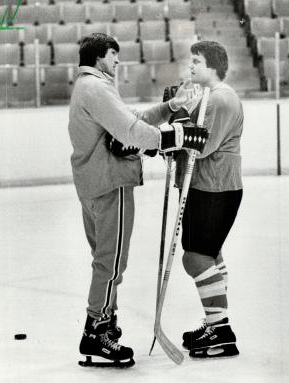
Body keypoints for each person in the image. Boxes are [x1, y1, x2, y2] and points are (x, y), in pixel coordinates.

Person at [67, 33, 208, 368]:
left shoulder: (88, 87)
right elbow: (131, 132)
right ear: (101, 56)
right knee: (111, 262)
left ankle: (105, 324)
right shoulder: (97, 88)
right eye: (114, 55)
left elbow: (132, 120)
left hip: (94, 184)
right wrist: (178, 136)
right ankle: (95, 331)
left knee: (105, 260)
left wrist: (169, 109)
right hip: (109, 183)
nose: (117, 61)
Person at [174, 40, 243, 359]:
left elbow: (203, 147)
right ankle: (215, 321)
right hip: (208, 185)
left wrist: (176, 127)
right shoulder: (208, 96)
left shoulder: (221, 98)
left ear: (213, 66)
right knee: (209, 255)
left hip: (217, 187)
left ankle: (221, 329)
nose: (191, 66)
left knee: (195, 258)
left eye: (197, 61)